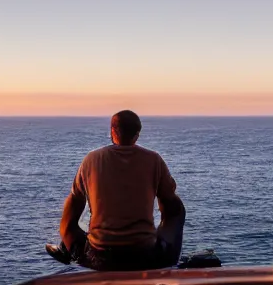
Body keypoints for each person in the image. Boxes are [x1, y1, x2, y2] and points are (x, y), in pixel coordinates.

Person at [46, 110, 186, 271]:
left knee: (74, 200)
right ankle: (168, 259)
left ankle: (70, 250)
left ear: (112, 131)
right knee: (176, 206)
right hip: (145, 254)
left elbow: (76, 201)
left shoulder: (91, 159)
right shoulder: (154, 159)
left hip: (99, 255)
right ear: (137, 135)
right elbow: (169, 197)